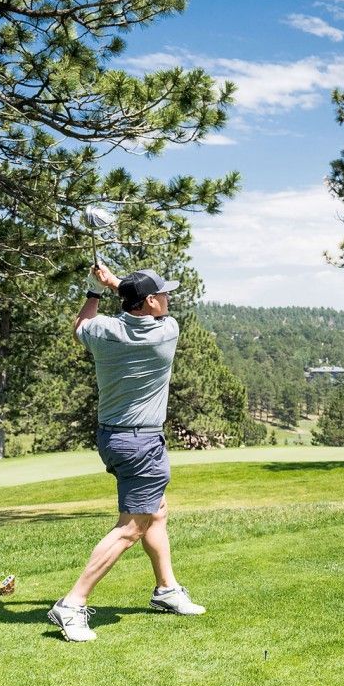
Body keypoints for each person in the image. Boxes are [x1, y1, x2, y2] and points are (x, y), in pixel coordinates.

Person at [47, 263, 205, 644]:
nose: (168, 298)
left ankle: (166, 589)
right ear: (150, 302)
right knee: (132, 527)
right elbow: (148, 306)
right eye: (163, 294)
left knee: (156, 511)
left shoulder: (104, 331)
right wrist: (115, 283)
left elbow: (80, 326)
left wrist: (94, 290)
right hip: (141, 443)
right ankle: (73, 602)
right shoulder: (165, 333)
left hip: (112, 437)